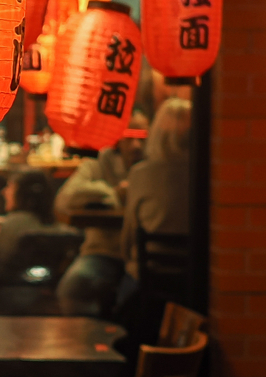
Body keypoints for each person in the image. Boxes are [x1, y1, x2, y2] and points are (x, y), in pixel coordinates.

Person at [121, 98, 192, 277]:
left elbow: (129, 238)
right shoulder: (206, 175)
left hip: (149, 273)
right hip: (195, 275)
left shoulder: (141, 173)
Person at [55, 177, 124, 316]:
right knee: (72, 289)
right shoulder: (96, 166)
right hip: (102, 253)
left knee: (129, 304)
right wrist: (111, 192)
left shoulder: (155, 164)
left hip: (143, 257)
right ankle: (90, 335)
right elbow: (63, 200)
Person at [0, 168, 55, 281]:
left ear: (23, 193)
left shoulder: (13, 224)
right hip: (44, 292)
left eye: (10, 186)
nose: (4, 192)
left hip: (8, 291)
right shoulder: (54, 224)